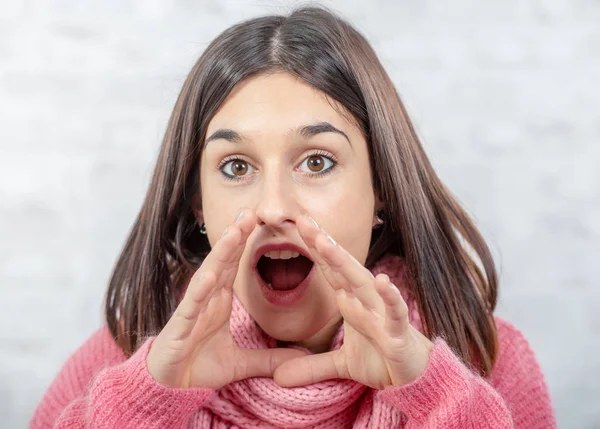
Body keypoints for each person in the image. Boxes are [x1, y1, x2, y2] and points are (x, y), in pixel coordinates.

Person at [30, 6, 557, 428]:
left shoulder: (489, 356)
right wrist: (144, 404)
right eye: (236, 166)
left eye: (317, 162)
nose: (274, 208)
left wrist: (435, 394)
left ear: (382, 192)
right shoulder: (119, 356)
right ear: (198, 205)